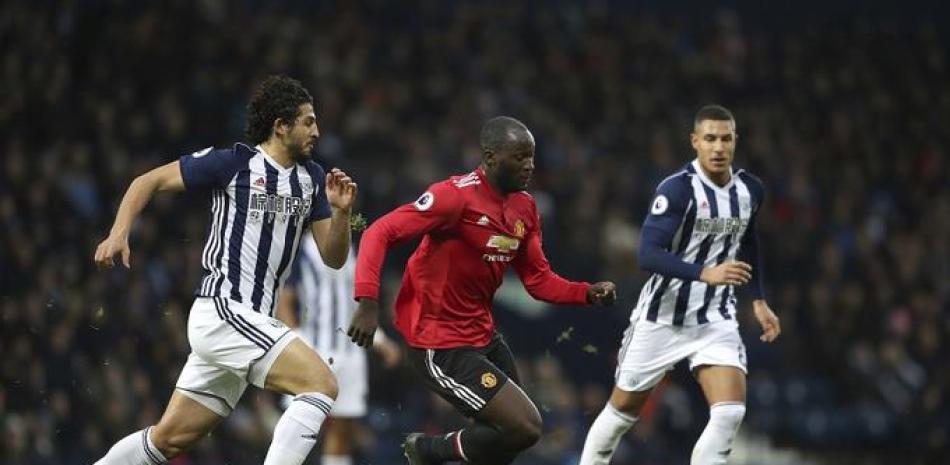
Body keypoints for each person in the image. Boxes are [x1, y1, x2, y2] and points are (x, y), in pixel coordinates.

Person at [92, 75, 358, 465]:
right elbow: (148, 181)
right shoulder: (234, 163)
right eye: (307, 121)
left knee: (169, 440)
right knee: (321, 384)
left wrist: (341, 213)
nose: (316, 131)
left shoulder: (314, 180)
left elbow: (333, 257)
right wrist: (119, 232)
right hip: (224, 311)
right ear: (280, 126)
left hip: (246, 325)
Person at [347, 116, 617, 465]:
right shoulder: (453, 197)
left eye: (531, 156)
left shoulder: (525, 207)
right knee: (526, 426)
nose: (530, 165)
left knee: (504, 443)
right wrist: (367, 302)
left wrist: (586, 293)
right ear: (490, 158)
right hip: (438, 343)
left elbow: (538, 280)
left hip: (482, 335)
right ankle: (427, 450)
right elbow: (378, 232)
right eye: (520, 157)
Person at [578, 104, 781, 465]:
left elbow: (748, 239)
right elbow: (647, 255)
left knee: (729, 413)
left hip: (715, 317)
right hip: (662, 316)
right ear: (695, 142)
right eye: (709, 139)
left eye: (725, 139)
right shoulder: (677, 190)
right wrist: (705, 272)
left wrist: (759, 300)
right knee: (621, 413)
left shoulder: (751, 190)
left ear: (735, 141)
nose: (718, 147)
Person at [276, 239, 401, 465]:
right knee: (299, 429)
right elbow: (284, 298)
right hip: (313, 349)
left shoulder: (354, 249)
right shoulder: (300, 248)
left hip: (350, 353)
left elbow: (355, 304)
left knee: (342, 432)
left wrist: (380, 339)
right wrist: (296, 344)